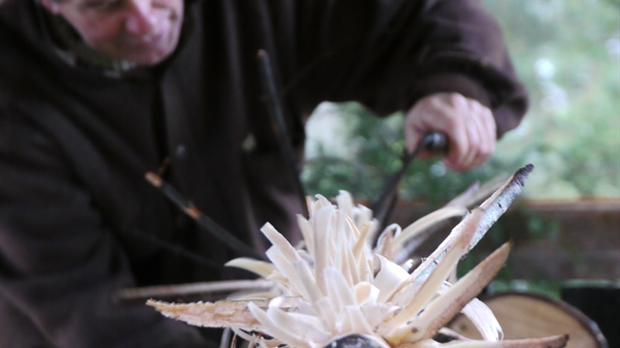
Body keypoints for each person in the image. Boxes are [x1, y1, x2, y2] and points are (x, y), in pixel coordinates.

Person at [0, 0, 528, 346]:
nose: (144, 18)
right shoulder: (13, 96)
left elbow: (420, 13)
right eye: (102, 4)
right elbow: (89, 314)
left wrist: (456, 83)